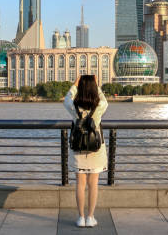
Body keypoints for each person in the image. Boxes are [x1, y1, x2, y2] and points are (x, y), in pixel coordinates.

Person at [63, 74, 108, 228]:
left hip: (78, 149)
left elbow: (67, 99)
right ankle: (90, 217)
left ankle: (81, 217)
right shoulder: (99, 106)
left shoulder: (74, 107)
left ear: (80, 88)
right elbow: (104, 100)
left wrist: (75, 84)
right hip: (95, 150)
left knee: (80, 184)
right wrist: (97, 85)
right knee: (93, 184)